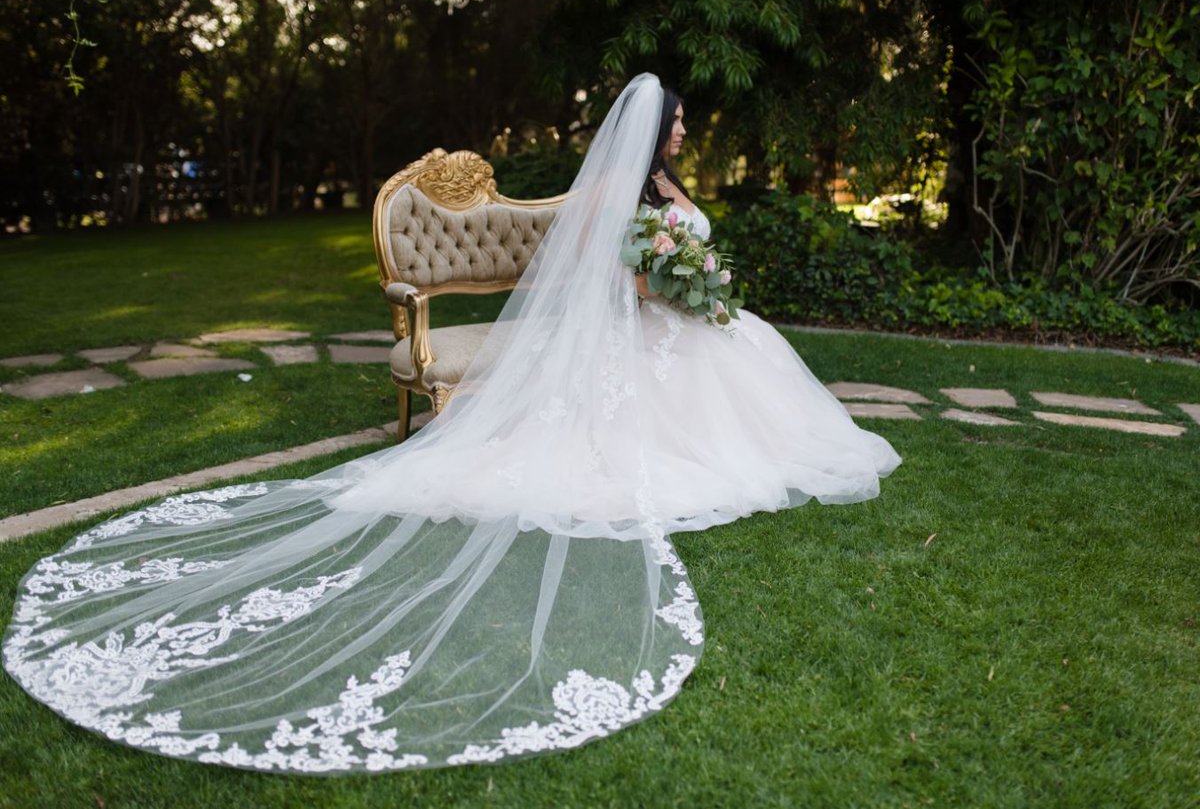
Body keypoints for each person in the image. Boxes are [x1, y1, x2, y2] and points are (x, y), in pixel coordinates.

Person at [2, 73, 899, 775]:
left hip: (688, 326)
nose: (681, 134)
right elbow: (618, 275)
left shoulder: (664, 182)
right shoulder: (627, 190)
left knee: (751, 364)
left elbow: (668, 252)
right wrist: (668, 282)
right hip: (656, 332)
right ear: (656, 122)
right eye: (677, 122)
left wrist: (700, 287)